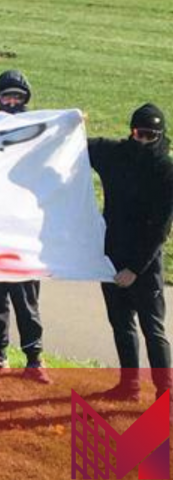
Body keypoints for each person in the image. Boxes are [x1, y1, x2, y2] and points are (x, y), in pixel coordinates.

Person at [88, 103, 173, 401]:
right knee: (121, 324)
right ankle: (129, 385)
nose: (144, 140)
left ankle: (166, 394)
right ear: (131, 131)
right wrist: (71, 122)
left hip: (145, 262)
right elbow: (75, 146)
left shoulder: (167, 171)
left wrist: (134, 269)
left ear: (161, 136)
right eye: (139, 133)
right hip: (112, 255)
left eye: (151, 135)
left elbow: (161, 230)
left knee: (153, 328)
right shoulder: (114, 155)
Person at [0, 70, 49, 383]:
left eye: (18, 97)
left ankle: (34, 357)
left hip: (24, 230)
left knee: (25, 297)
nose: (12, 102)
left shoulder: (39, 129)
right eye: (7, 96)